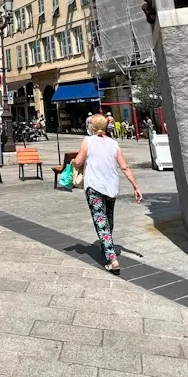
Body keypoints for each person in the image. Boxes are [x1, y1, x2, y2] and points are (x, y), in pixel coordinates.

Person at [72, 113, 142, 274]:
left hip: (95, 186)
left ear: (92, 126)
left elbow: (79, 161)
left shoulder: (87, 141)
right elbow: (124, 167)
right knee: (108, 218)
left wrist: (74, 162)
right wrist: (136, 186)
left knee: (100, 219)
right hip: (111, 187)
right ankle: (108, 246)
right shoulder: (114, 144)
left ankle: (112, 258)